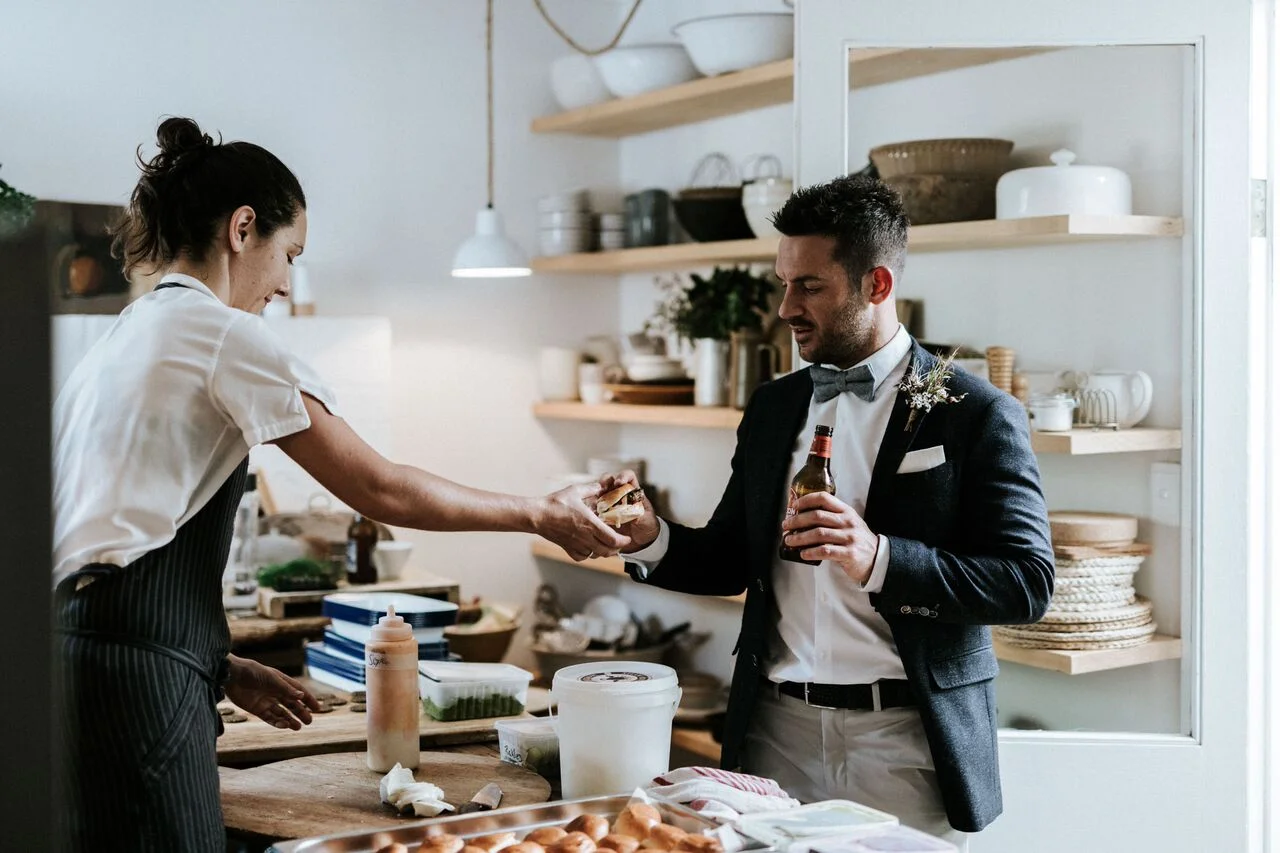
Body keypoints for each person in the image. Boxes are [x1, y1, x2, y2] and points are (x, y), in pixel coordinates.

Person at [51, 116, 629, 852]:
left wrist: (217, 666)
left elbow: (103, 552)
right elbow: (381, 489)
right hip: (137, 682)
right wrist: (540, 513)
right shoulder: (223, 334)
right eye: (289, 254)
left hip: (74, 663)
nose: (286, 283)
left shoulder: (125, 335)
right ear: (242, 229)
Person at [607, 175, 1054, 847]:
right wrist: (649, 537)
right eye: (784, 283)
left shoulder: (975, 411)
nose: (786, 306)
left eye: (810, 286)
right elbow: (730, 556)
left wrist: (880, 558)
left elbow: (1026, 582)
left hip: (905, 741)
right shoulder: (773, 406)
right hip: (772, 733)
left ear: (877, 284)